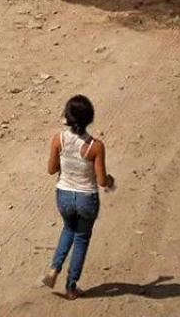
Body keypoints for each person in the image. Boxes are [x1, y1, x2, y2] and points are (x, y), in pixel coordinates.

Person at [43, 95, 114, 300]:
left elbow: (51, 169)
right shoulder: (96, 146)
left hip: (64, 195)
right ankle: (71, 286)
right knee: (81, 238)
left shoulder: (59, 139)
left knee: (68, 229)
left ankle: (53, 270)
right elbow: (101, 181)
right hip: (86, 198)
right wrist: (110, 181)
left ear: (67, 116)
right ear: (89, 119)